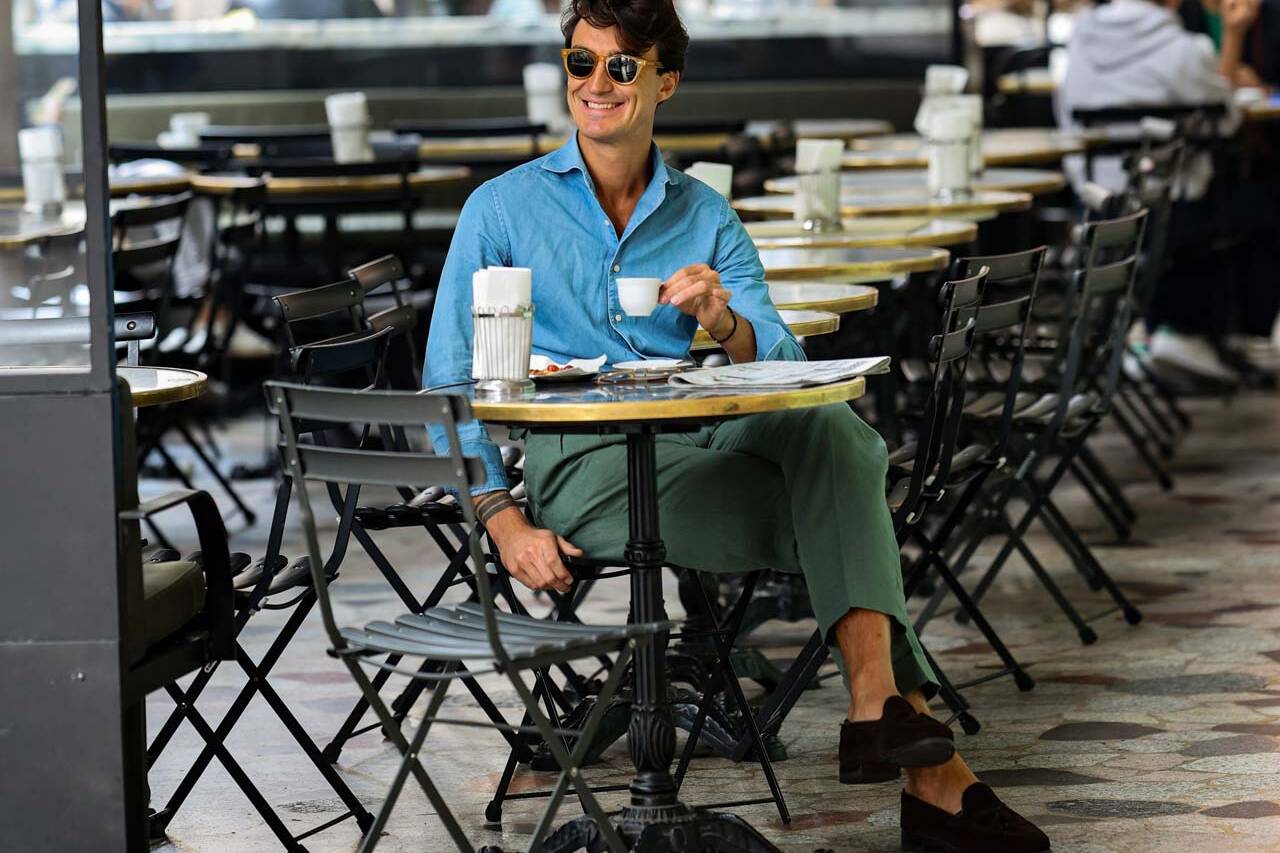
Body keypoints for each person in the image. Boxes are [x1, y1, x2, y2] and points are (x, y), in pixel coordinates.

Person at [424, 2, 1051, 850]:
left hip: (701, 431)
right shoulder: (500, 211)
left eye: (621, 67)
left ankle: (875, 708)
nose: (596, 85)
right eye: (581, 63)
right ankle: (930, 772)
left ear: (665, 81)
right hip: (587, 464)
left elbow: (782, 359)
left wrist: (723, 321)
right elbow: (447, 383)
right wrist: (500, 517)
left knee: (835, 435)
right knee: (849, 495)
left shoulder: (703, 214)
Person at [1058, 0, 1277, 386]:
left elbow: (1065, 121)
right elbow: (1224, 121)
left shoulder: (1079, 39)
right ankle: (1194, 331)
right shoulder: (1184, 50)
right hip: (1173, 214)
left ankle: (1180, 334)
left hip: (1098, 210)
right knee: (1263, 207)